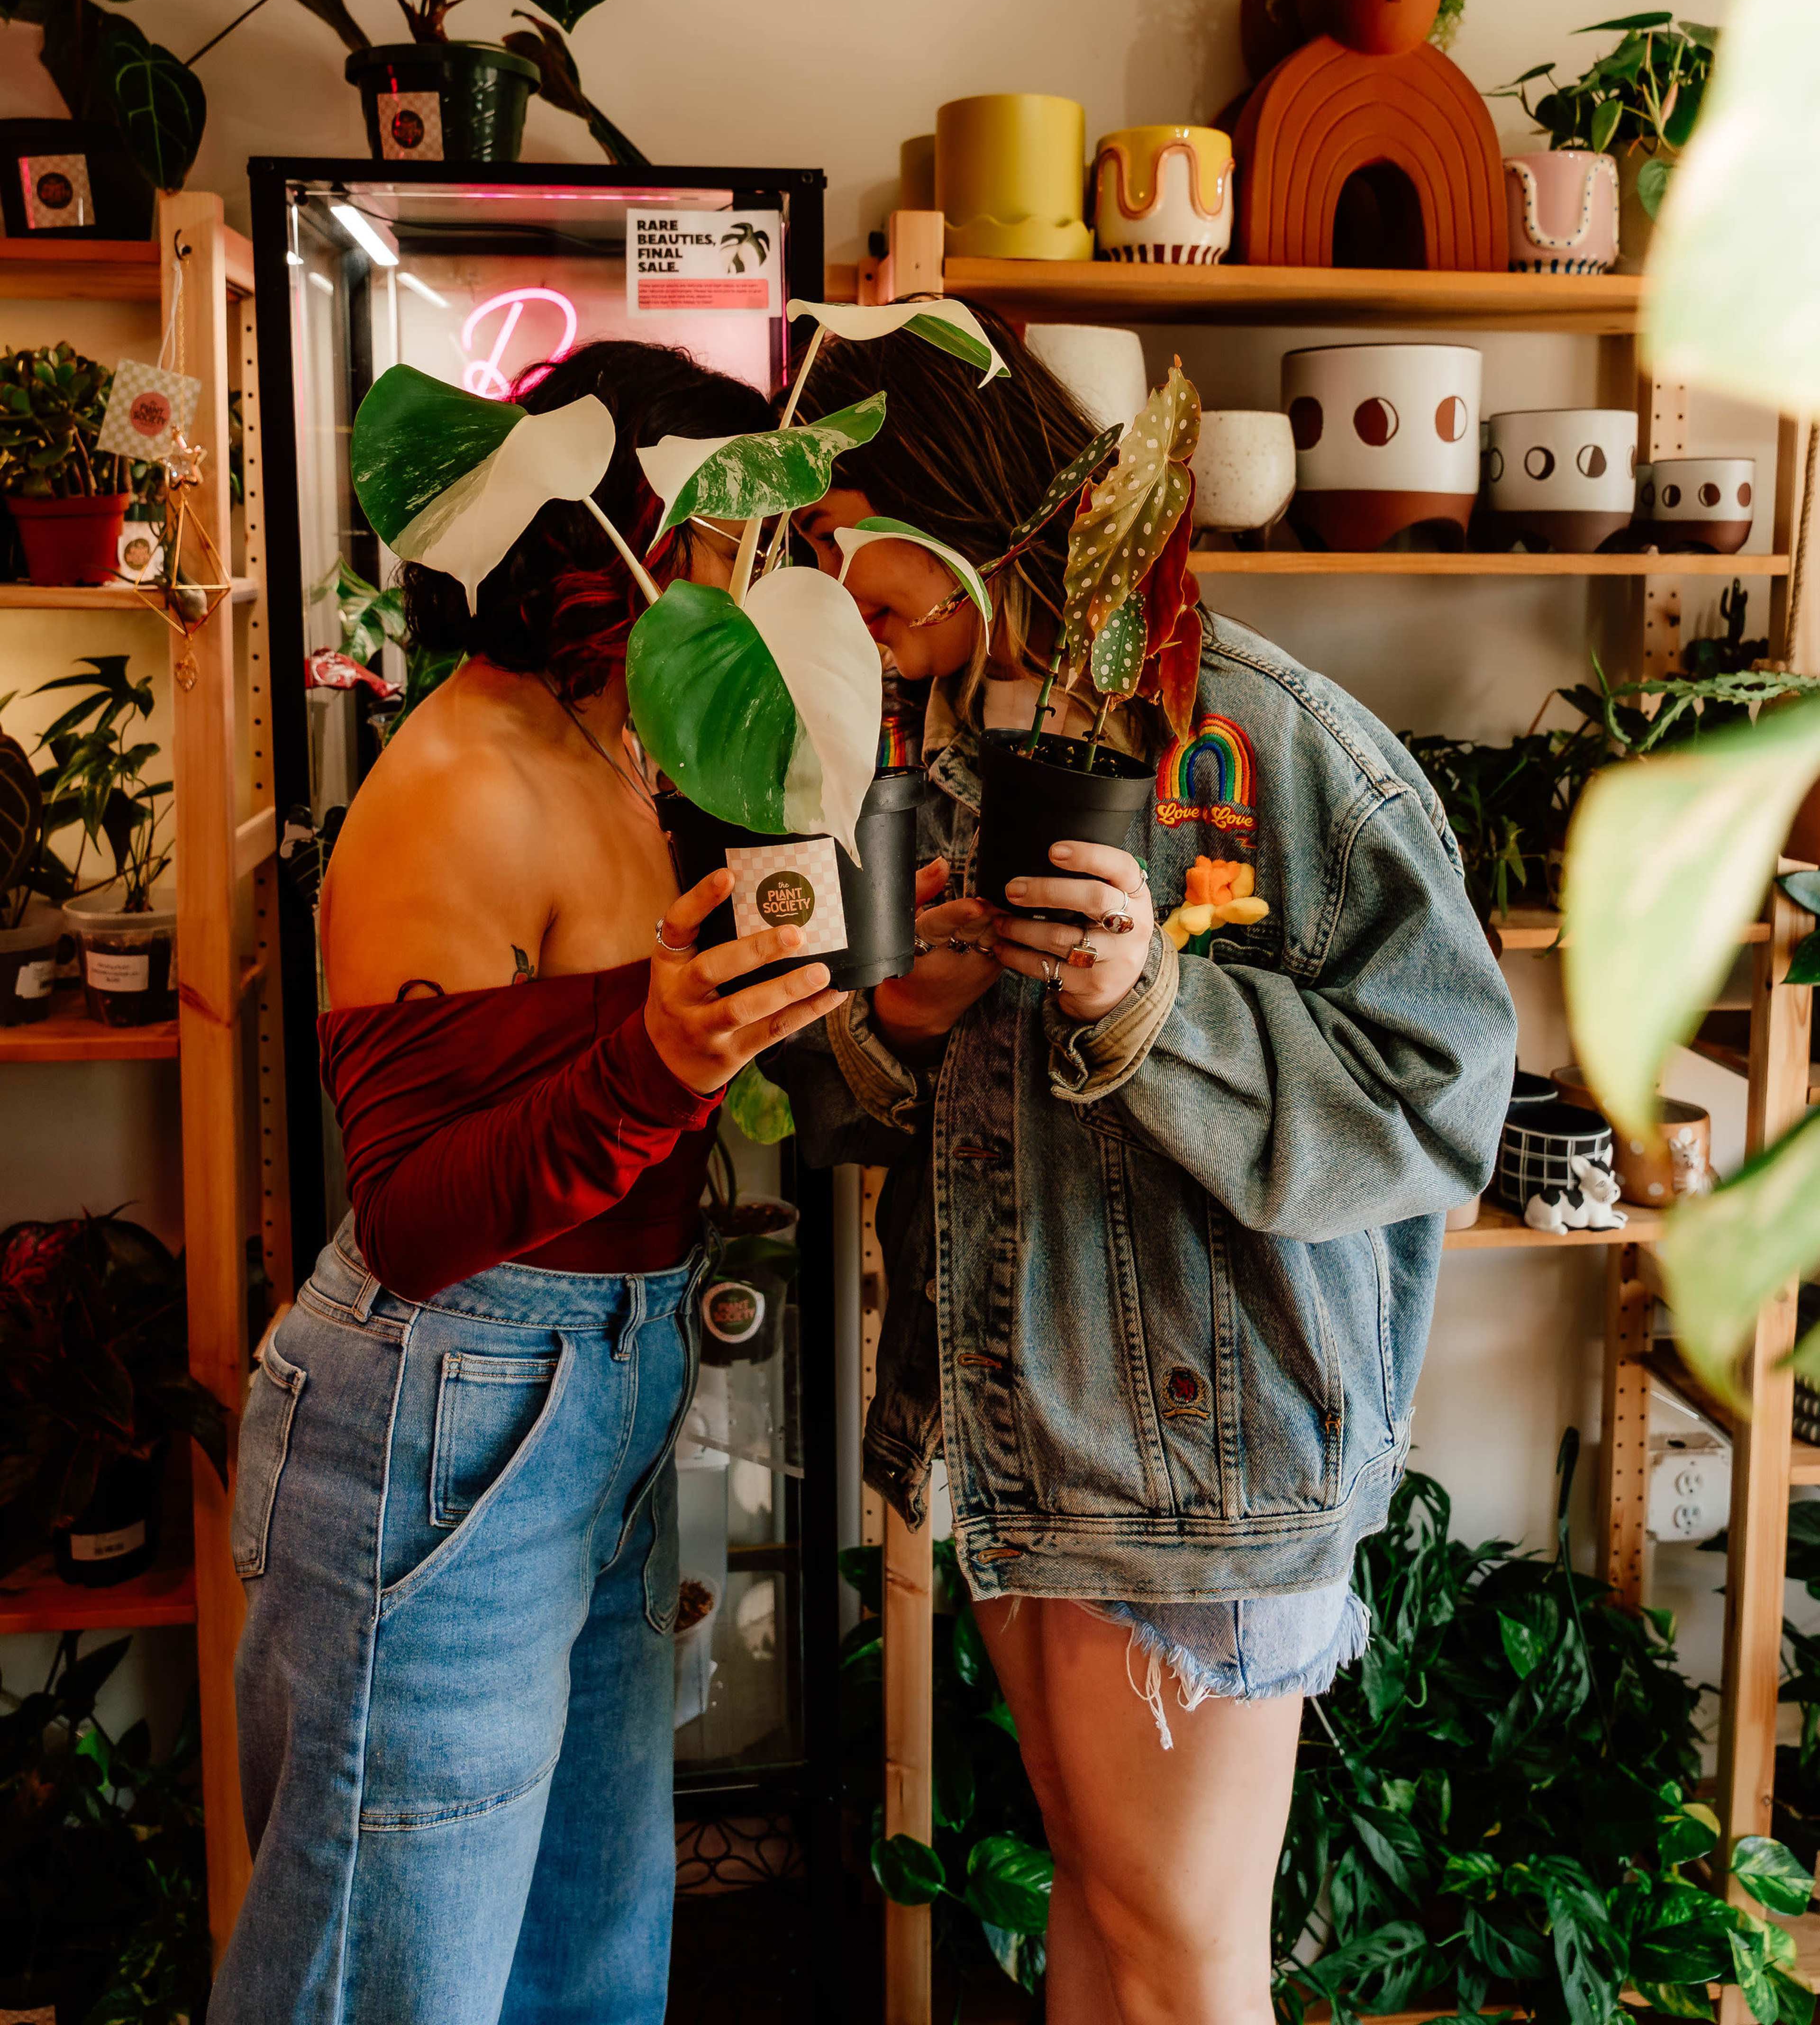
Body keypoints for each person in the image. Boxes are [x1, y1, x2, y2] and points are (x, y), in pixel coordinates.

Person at [784, 309, 1516, 2025]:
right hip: (1026, 1423)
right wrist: (911, 1011)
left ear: (967, 513)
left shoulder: (1260, 737)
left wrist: (1151, 999)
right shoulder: (925, 749)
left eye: (859, 558)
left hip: (1207, 1454)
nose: (838, 608)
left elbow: (1441, 1099)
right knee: (1106, 1934)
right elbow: (908, 1102)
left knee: (1185, 1962)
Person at [213, 342, 845, 2025]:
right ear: (627, 529)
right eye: (730, 526)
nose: (757, 565)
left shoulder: (610, 750)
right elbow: (415, 1214)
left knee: (589, 1964)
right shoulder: (466, 781)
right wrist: (663, 1065)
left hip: (598, 1392)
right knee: (385, 1987)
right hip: (449, 1400)